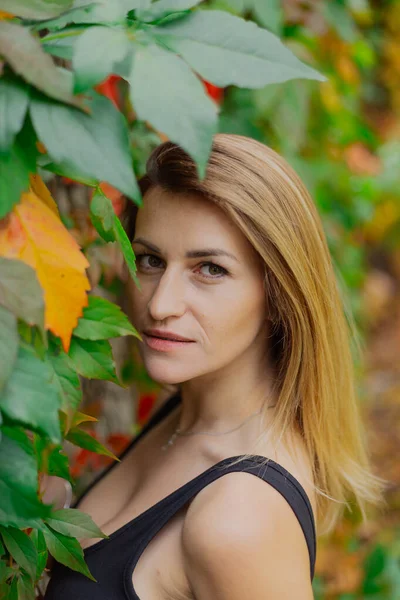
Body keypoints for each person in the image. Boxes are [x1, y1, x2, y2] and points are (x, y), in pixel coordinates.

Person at [43, 133, 386, 599]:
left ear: (279, 293)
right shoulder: (194, 414)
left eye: (209, 269)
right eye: (149, 260)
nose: (161, 305)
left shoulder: (238, 518)